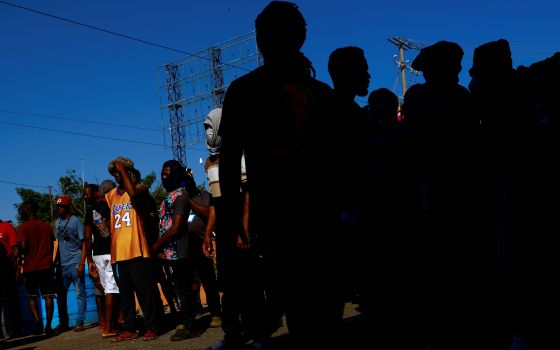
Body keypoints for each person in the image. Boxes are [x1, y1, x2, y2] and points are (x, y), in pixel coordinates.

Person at [218, 2, 340, 347]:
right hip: (318, 213)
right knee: (321, 304)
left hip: (279, 216)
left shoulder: (245, 90)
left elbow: (228, 162)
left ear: (259, 41)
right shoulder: (321, 94)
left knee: (299, 304)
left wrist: (232, 221)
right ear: (301, 36)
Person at [105, 157, 158, 342]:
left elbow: (134, 193)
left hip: (137, 249)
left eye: (120, 173)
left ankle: (151, 326)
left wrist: (123, 168)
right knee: (125, 294)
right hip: (118, 253)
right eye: (115, 174)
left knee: (144, 292)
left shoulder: (140, 190)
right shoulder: (110, 195)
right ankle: (130, 328)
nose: (118, 176)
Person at [150, 159, 201, 341]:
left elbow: (177, 226)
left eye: (167, 173)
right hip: (170, 252)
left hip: (180, 250)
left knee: (183, 289)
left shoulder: (180, 195)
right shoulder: (169, 196)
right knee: (179, 288)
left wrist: (157, 244)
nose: (163, 177)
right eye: (162, 174)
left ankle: (190, 326)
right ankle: (187, 322)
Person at [83, 182, 120, 338]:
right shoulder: (107, 206)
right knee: (112, 289)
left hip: (97, 254)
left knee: (107, 290)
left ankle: (111, 323)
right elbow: (106, 232)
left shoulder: (90, 211)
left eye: (86, 194)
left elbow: (87, 237)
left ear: (96, 193)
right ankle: (109, 327)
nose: (84, 197)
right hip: (109, 252)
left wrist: (89, 260)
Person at [13, 201, 56, 336]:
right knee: (48, 295)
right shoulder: (46, 226)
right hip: (46, 266)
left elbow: (23, 247)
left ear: (29, 210)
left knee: (32, 296)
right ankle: (48, 325)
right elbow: (53, 243)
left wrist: (17, 260)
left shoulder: (22, 228)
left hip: (30, 267)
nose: (20, 212)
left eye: (22, 210)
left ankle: (38, 323)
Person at [53, 195, 87, 333]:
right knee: (60, 296)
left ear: (67, 207)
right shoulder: (57, 223)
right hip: (62, 266)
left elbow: (84, 242)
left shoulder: (76, 221)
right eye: (58, 207)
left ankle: (79, 322)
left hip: (75, 262)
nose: (59, 209)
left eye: (61, 206)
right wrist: (55, 262)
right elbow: (57, 244)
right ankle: (63, 322)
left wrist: (81, 263)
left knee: (80, 293)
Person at [0, 219, 21, 338]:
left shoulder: (7, 226)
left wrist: (17, 268)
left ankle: (17, 329)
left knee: (12, 299)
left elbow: (15, 248)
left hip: (8, 269)